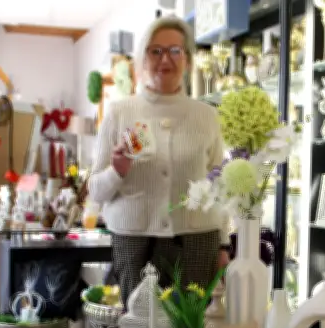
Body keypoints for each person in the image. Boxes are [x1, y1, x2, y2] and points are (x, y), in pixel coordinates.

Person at [88, 16, 229, 307]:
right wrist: (117, 171)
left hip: (197, 241)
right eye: (156, 51)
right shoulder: (118, 113)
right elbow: (96, 192)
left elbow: (219, 187)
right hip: (134, 242)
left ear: (187, 60)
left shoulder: (207, 117)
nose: (166, 59)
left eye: (175, 51)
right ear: (142, 59)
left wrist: (223, 245)